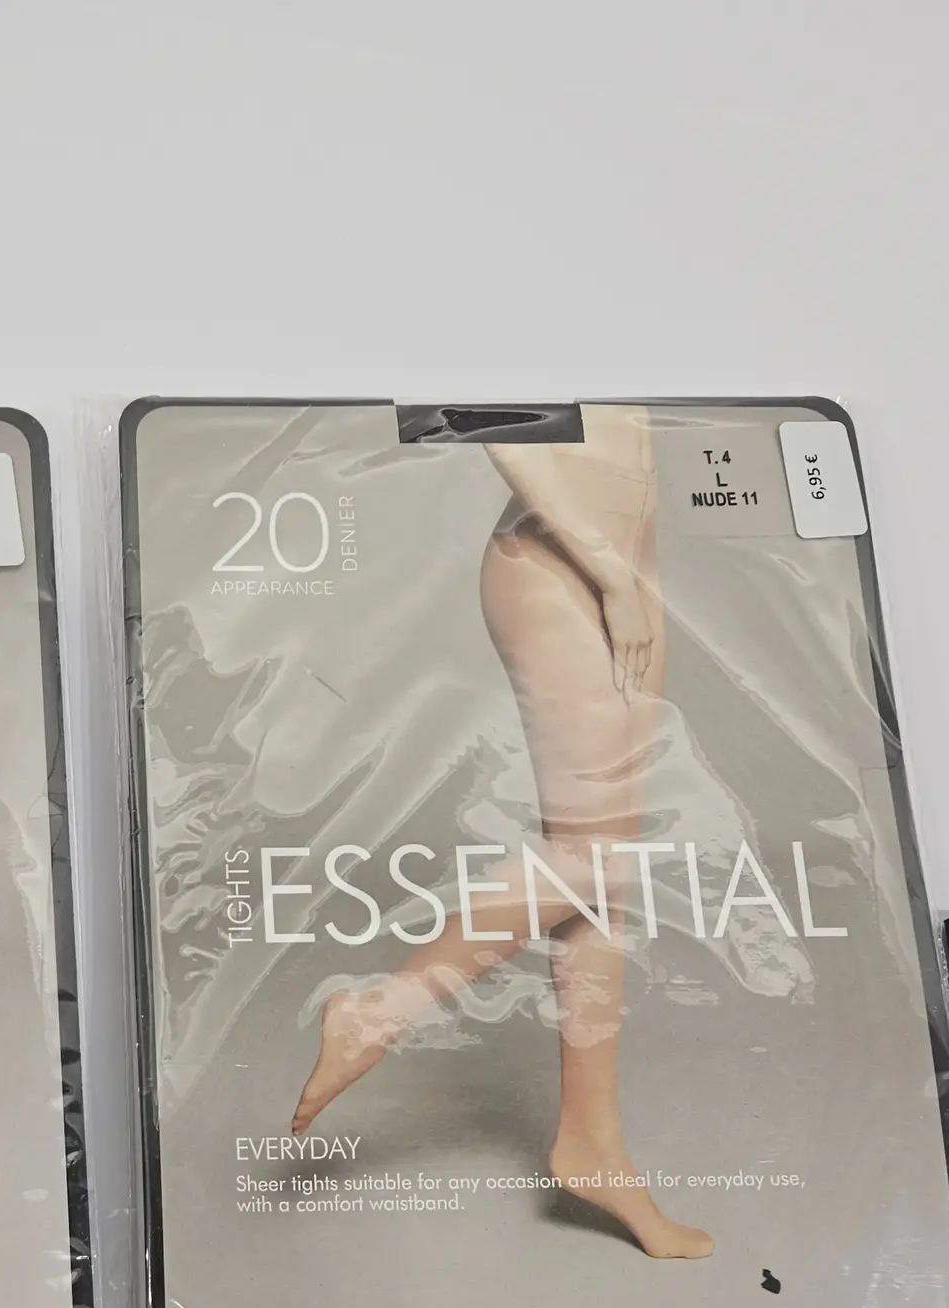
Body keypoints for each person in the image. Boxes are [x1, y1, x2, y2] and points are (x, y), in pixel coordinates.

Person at [291, 407, 712, 1259]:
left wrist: (633, 572)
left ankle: (592, 1142)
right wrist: (612, 575)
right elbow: (489, 419)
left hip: (626, 562)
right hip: (566, 565)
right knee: (589, 859)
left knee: (604, 879)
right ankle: (379, 1013)